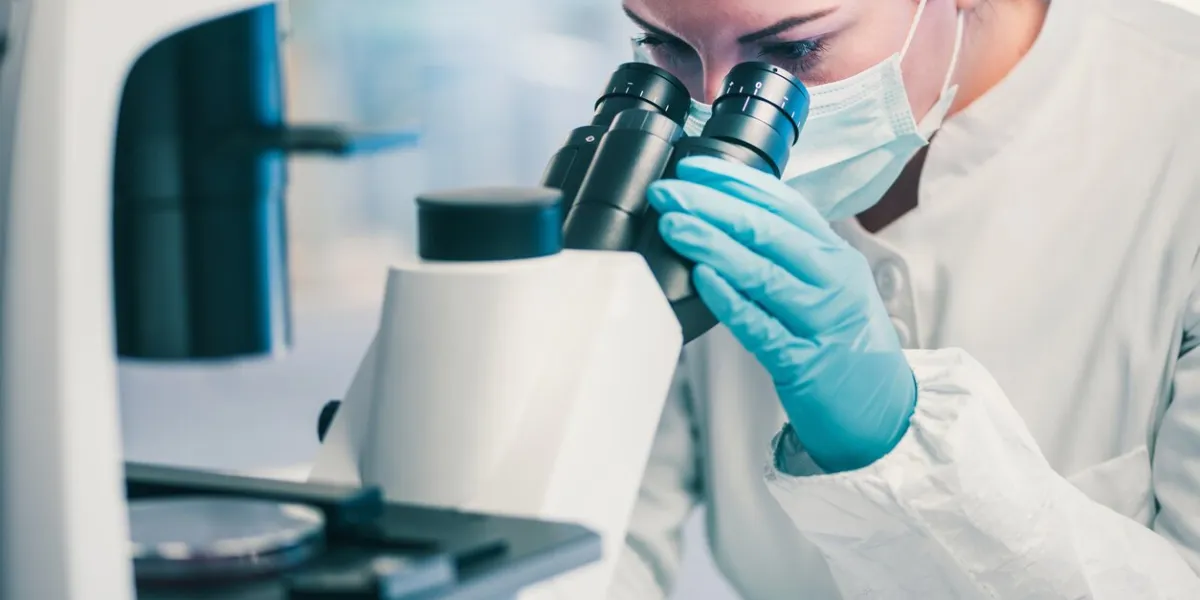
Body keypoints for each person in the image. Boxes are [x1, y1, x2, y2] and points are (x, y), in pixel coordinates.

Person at [606, 0, 1200, 597]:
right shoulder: (656, 137)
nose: (712, 106)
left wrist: (904, 453)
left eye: (796, 50)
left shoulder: (1178, 133)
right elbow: (604, 539)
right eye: (667, 45)